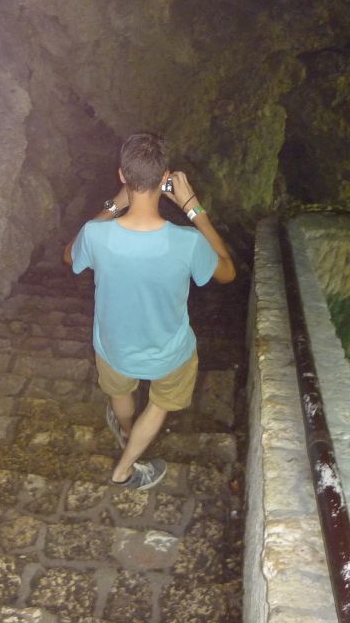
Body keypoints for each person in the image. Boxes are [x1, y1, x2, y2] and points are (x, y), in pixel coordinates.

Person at [64, 132, 236, 490]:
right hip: (168, 355)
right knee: (158, 405)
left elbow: (70, 255)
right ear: (165, 178)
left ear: (122, 175)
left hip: (113, 346)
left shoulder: (96, 234)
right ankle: (124, 470)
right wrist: (193, 207)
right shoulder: (187, 242)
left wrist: (115, 204)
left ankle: (128, 432)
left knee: (120, 394)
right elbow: (227, 271)